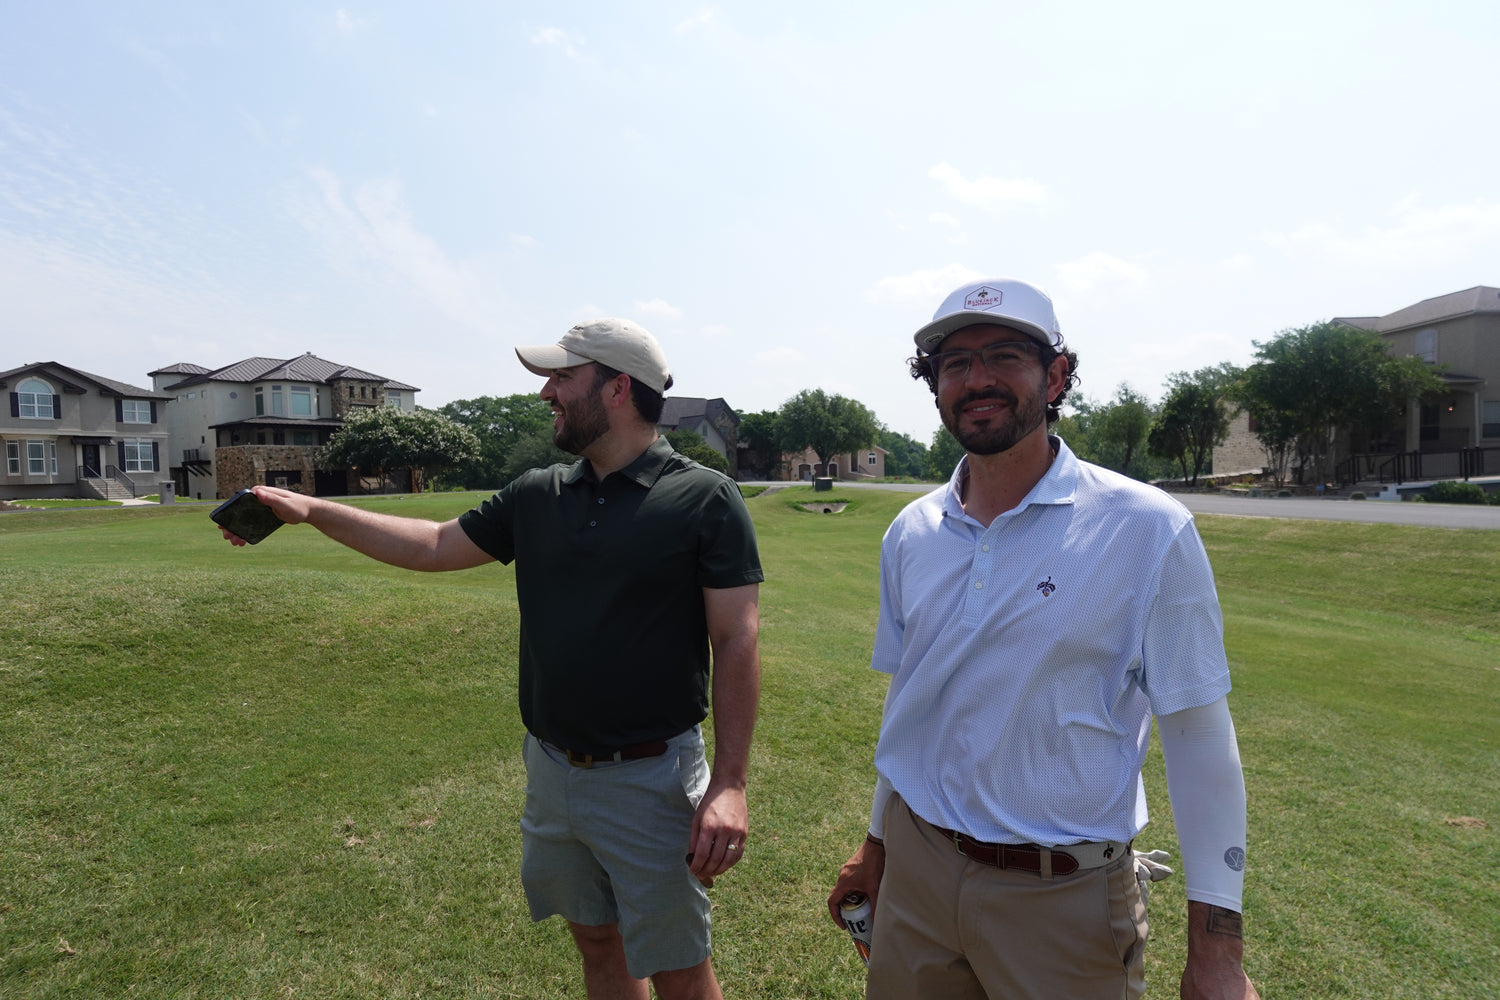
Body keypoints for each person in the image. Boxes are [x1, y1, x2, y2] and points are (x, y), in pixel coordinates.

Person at [223, 318, 763, 1000]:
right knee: (599, 942)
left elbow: (736, 639)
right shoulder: (540, 494)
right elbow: (434, 545)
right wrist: (310, 510)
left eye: (563, 377)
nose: (546, 393)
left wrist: (732, 784)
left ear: (619, 387)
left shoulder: (703, 498)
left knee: (678, 966)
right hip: (553, 772)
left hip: (652, 778)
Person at [826, 279, 1260, 1000]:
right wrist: (876, 844)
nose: (977, 379)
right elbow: (914, 704)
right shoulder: (912, 532)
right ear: (935, 386)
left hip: (1064, 899)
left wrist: (1218, 951)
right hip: (918, 876)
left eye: (1004, 355)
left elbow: (1198, 735)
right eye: (955, 363)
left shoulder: (1147, 529)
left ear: (1055, 376)